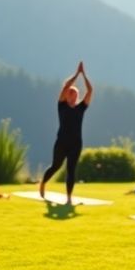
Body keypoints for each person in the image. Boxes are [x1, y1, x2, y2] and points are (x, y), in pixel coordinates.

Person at [39, 61, 93, 205]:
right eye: (69, 93)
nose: (71, 95)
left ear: (76, 97)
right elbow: (66, 86)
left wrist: (84, 75)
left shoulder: (81, 108)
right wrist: (76, 74)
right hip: (61, 142)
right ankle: (43, 182)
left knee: (71, 169)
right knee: (55, 166)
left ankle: (69, 197)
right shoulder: (61, 106)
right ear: (66, 96)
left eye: (74, 94)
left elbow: (90, 91)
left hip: (76, 143)